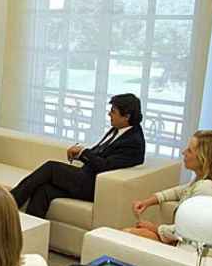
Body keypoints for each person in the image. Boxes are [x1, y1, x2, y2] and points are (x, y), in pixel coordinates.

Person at [10, 93, 146, 218]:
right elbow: (100, 151)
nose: (109, 114)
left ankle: (8, 205)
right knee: (44, 190)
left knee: (51, 167)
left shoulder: (133, 141)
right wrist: (80, 154)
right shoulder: (119, 129)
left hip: (94, 186)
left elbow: (106, 166)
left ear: (127, 116)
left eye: (113, 111)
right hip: (85, 178)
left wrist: (83, 152)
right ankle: (31, 231)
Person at [125, 130, 212, 244]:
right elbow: (180, 191)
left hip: (188, 250)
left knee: (127, 234)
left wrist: (154, 228)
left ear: (204, 159)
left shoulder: (206, 188)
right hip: (186, 241)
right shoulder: (204, 183)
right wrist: (148, 202)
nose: (183, 153)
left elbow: (184, 231)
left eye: (189, 151)